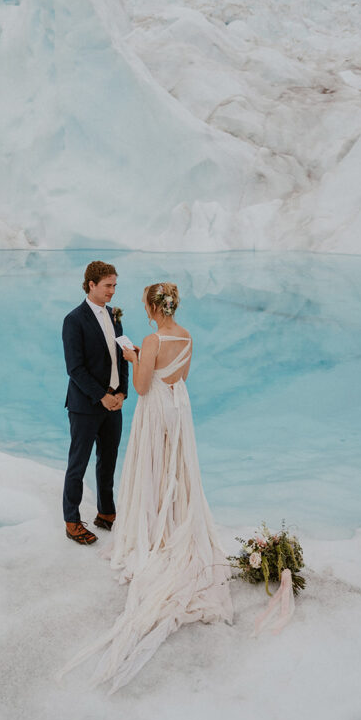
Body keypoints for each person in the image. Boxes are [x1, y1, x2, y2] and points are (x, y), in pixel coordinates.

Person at [63, 282, 232, 689]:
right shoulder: (186, 335)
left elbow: (141, 386)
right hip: (179, 407)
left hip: (156, 409)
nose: (142, 309)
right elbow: (180, 374)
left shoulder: (154, 338)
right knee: (176, 467)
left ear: (156, 306)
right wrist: (147, 361)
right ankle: (173, 517)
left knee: (152, 467)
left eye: (145, 304)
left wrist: (135, 357)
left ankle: (152, 524)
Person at [61, 261, 129, 545]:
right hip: (86, 405)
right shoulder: (73, 320)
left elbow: (123, 355)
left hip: (114, 403)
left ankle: (106, 513)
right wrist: (102, 396)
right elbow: (74, 369)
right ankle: (72, 521)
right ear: (91, 284)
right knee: (78, 463)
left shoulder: (115, 316)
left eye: (114, 285)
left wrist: (122, 393)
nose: (113, 291)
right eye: (108, 286)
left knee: (108, 461)